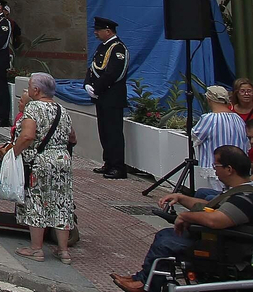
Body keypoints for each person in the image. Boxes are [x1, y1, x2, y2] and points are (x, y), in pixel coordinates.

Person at [112, 145, 253, 292]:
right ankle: (142, 278)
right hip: (219, 240)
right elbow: (210, 205)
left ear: (229, 169)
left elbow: (215, 220)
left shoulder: (245, 198)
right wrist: (180, 198)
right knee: (167, 235)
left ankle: (145, 284)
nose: (215, 170)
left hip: (225, 247)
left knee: (166, 240)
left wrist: (185, 216)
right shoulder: (238, 192)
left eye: (216, 165)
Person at [2, 73, 75, 264]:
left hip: (40, 162)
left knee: (36, 202)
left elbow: (27, 136)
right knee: (61, 202)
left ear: (36, 90)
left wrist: (13, 153)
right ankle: (64, 251)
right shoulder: (62, 109)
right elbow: (72, 138)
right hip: (62, 160)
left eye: (30, 86)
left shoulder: (33, 108)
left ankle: (36, 249)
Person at [88, 16, 129, 179]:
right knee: (104, 131)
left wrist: (97, 88)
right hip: (102, 96)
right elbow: (92, 67)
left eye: (98, 30)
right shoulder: (102, 47)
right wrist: (87, 84)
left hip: (112, 96)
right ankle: (108, 162)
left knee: (113, 132)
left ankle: (118, 166)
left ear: (108, 31)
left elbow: (114, 73)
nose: (95, 33)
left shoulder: (118, 49)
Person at [193, 85, 251, 193]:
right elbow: (246, 144)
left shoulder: (209, 119)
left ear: (209, 99)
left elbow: (196, 137)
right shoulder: (238, 118)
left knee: (218, 197)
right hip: (237, 170)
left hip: (218, 167)